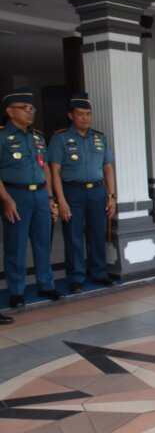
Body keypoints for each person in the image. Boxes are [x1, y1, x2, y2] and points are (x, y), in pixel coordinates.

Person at [49, 92, 116, 293]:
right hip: (72, 192)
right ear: (71, 116)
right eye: (80, 114)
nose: (85, 118)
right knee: (74, 236)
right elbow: (55, 171)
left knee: (97, 234)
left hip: (97, 191)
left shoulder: (99, 138)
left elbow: (108, 168)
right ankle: (76, 277)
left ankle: (99, 272)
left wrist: (112, 196)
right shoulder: (60, 138)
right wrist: (61, 201)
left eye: (88, 114)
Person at [0, 88, 61, 309]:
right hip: (16, 194)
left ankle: (46, 284)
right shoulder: (2, 137)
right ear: (10, 111)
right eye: (24, 108)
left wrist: (50, 198)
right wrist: (6, 200)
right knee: (16, 245)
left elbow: (45, 168)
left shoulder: (38, 137)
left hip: (41, 195)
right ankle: (17, 291)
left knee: (43, 242)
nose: (30, 111)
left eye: (31, 108)